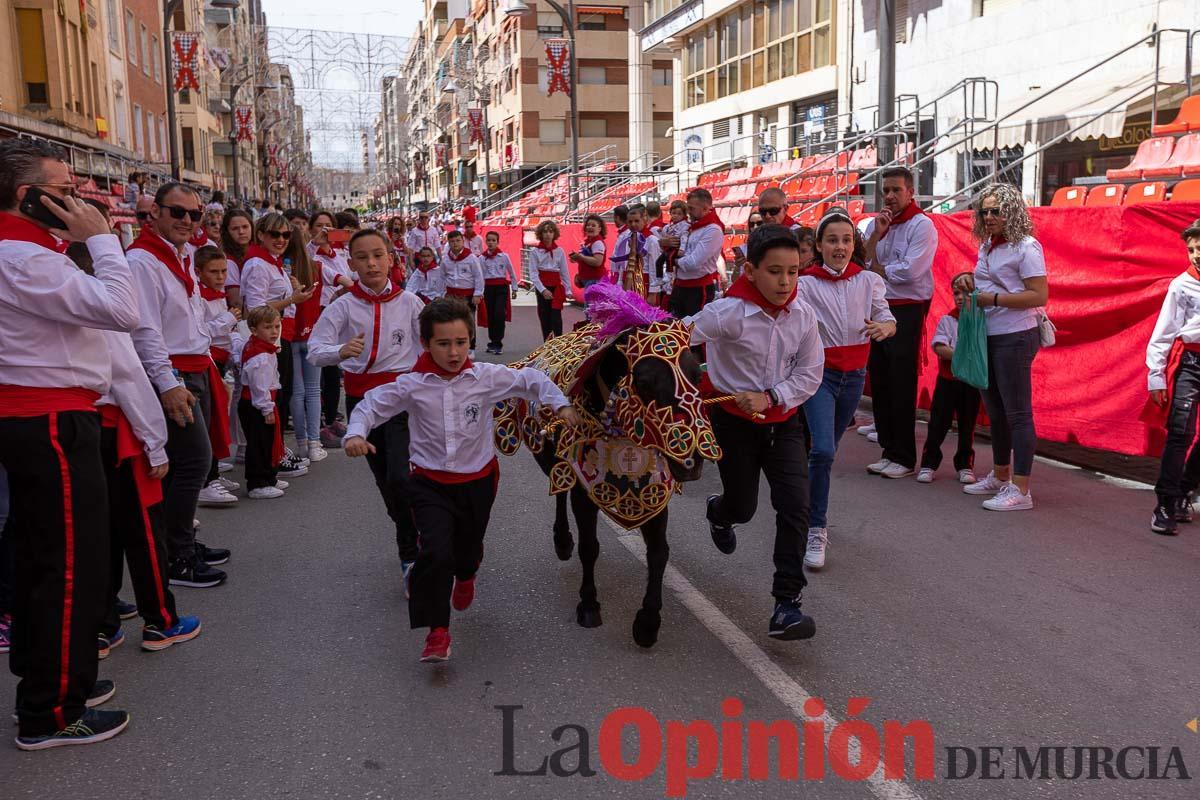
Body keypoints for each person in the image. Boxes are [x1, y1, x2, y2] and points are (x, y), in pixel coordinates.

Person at [344, 298, 579, 662]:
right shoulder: (411, 384)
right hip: (429, 483)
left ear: (470, 340)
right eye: (443, 344)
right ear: (425, 344)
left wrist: (560, 403)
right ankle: (437, 631)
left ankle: (467, 575)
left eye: (461, 343)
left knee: (467, 551)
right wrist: (356, 434)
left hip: (478, 481)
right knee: (435, 552)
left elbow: (530, 379)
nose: (453, 352)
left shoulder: (485, 377)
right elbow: (371, 404)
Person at [0, 137, 138, 748]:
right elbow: (122, 308)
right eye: (64, 192)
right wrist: (100, 238)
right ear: (27, 198)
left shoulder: (28, 253)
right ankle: (52, 709)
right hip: (51, 420)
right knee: (68, 566)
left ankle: (51, 680)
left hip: (45, 418)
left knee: (41, 560)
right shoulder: (26, 258)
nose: (78, 199)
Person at [688, 223, 824, 641]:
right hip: (733, 425)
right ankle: (720, 511)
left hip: (782, 424)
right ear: (750, 271)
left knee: (796, 508)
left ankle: (787, 604)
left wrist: (771, 396)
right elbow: (675, 337)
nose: (786, 282)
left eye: (794, 271)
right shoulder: (725, 313)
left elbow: (810, 372)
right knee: (743, 507)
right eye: (775, 272)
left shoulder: (803, 314)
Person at [126, 182, 231, 588]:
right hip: (172, 373)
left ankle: (178, 542)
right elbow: (145, 330)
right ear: (156, 213)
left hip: (194, 367)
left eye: (195, 214)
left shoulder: (182, 255)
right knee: (193, 463)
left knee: (185, 467)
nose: (188, 221)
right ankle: (178, 556)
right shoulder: (142, 261)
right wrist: (168, 382)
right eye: (178, 212)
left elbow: (192, 316)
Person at [310, 229, 426, 579]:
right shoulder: (342, 305)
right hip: (363, 403)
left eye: (378, 255)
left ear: (392, 258)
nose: (372, 263)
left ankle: (411, 554)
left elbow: (430, 348)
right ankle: (409, 532)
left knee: (401, 476)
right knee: (387, 482)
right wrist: (339, 352)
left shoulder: (411, 303)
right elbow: (316, 350)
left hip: (404, 399)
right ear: (351, 263)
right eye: (363, 257)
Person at [797, 209, 895, 571]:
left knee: (825, 451)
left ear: (854, 245)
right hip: (818, 375)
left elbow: (886, 316)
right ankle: (815, 528)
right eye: (832, 240)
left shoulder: (868, 281)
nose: (840, 246)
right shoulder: (804, 283)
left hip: (854, 376)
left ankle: (802, 501)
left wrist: (887, 328)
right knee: (822, 450)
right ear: (819, 245)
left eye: (846, 239)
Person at [951, 182, 1048, 511]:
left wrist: (993, 298)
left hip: (1016, 334)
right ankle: (1001, 475)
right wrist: (970, 281)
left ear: (1012, 211)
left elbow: (1039, 295)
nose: (989, 216)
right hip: (988, 333)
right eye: (984, 211)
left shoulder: (1027, 246)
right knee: (996, 412)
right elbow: (988, 282)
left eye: (996, 211)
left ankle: (1021, 489)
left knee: (1018, 413)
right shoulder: (989, 245)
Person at [863, 167, 939, 479]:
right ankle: (888, 449)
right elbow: (862, 260)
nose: (891, 197)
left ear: (910, 192)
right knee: (880, 380)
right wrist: (877, 236)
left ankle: (904, 455)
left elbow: (911, 273)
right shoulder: (877, 225)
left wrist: (878, 268)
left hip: (906, 310)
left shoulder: (922, 226)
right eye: (886, 191)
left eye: (896, 190)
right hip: (879, 307)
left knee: (900, 381)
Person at [240, 212, 315, 476]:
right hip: (269, 336)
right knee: (271, 400)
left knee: (280, 398)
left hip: (278, 334)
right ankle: (269, 462)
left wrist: (293, 292)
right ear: (261, 235)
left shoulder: (270, 263)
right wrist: (291, 300)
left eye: (286, 235)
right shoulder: (258, 264)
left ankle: (276, 453)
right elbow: (254, 308)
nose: (281, 239)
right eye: (275, 234)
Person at [1147, 218, 1200, 534]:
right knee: (1180, 433)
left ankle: (1185, 490)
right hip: (1192, 364)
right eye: (1192, 249)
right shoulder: (1181, 285)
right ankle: (1164, 504)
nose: (1196, 254)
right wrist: (1156, 376)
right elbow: (1163, 333)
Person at [194, 246, 241, 506]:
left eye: (223, 271)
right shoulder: (198, 298)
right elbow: (201, 331)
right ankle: (207, 480)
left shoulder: (219, 295)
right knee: (211, 422)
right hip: (208, 359)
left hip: (222, 359)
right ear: (199, 272)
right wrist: (226, 319)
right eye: (214, 272)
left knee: (219, 418)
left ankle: (213, 475)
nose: (221, 276)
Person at [917, 296, 981, 486]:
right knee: (938, 423)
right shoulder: (947, 320)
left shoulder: (982, 321)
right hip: (947, 381)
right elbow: (939, 347)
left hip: (971, 382)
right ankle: (929, 463)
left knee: (967, 425)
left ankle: (965, 465)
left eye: (966, 292)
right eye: (956, 292)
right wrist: (965, 355)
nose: (960, 297)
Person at [308, 210, 354, 446]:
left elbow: (347, 277)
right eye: (319, 226)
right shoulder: (309, 252)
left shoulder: (338, 255)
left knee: (334, 372)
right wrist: (313, 244)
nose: (324, 230)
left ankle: (331, 418)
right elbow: (307, 265)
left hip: (337, 314)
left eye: (328, 226)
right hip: (315, 314)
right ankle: (319, 426)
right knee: (319, 373)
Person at [238, 306, 286, 498]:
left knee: (269, 440)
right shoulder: (261, 356)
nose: (274, 332)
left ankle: (269, 476)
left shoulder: (264, 349)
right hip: (258, 404)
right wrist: (267, 409)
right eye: (268, 327)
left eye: (277, 326)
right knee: (259, 443)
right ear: (254, 329)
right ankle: (258, 482)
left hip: (264, 401)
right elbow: (260, 386)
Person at [664, 188, 724, 317]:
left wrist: (671, 260)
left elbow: (693, 263)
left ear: (705, 208)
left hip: (697, 289)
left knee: (693, 331)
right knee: (676, 330)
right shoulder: (691, 227)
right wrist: (665, 244)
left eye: (692, 208)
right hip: (680, 285)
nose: (688, 212)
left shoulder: (713, 230)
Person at [612, 204, 665, 305]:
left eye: (636, 221)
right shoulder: (626, 239)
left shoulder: (652, 240)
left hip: (644, 283)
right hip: (627, 282)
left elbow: (655, 268)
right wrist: (620, 283)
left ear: (644, 220)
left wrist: (653, 293)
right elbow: (623, 264)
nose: (633, 224)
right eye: (630, 221)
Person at [441, 229, 485, 351]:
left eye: (458, 240)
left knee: (468, 321)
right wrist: (440, 294)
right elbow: (442, 277)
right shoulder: (446, 259)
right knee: (451, 322)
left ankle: (471, 347)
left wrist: (478, 294)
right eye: (452, 241)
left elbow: (478, 276)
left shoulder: (471, 258)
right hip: (451, 295)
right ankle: (455, 346)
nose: (455, 243)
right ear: (448, 243)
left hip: (467, 295)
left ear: (462, 241)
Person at [529, 220, 571, 340]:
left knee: (556, 319)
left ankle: (558, 344)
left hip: (556, 288)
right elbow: (533, 274)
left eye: (550, 231)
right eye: (545, 231)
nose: (548, 234)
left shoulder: (560, 251)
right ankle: (547, 345)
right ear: (540, 234)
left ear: (554, 234)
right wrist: (543, 290)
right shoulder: (535, 252)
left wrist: (568, 289)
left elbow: (564, 272)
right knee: (545, 318)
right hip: (542, 288)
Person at [480, 231, 519, 355]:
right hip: (488, 288)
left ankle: (498, 342)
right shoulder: (481, 258)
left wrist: (514, 288)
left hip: (501, 288)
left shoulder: (504, 256)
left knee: (499, 314)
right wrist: (479, 291)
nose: (491, 243)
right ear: (486, 242)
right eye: (489, 240)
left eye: (493, 240)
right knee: (490, 315)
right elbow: (479, 276)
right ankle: (492, 341)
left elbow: (511, 272)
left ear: (497, 242)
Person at [219, 207, 254, 309]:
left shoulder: (257, 252)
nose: (241, 232)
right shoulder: (228, 261)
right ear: (227, 232)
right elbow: (236, 302)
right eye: (235, 228)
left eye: (245, 227)